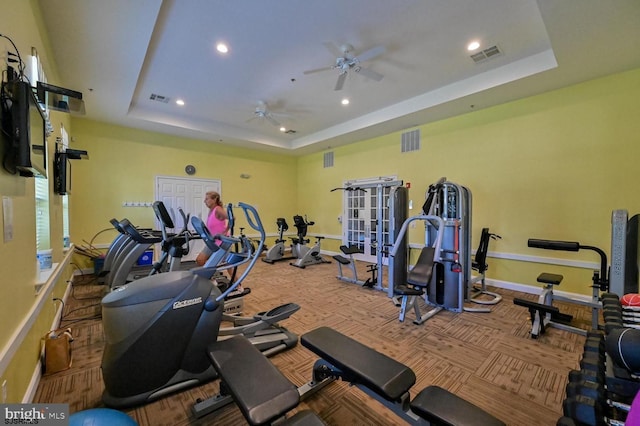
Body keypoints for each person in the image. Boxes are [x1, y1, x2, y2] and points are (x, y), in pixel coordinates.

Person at [196, 191, 229, 266]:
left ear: (214, 199)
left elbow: (232, 218)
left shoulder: (218, 209)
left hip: (222, 242)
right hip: (213, 241)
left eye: (207, 199)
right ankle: (209, 276)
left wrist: (226, 231)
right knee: (200, 260)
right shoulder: (211, 210)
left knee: (227, 265)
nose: (204, 201)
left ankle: (236, 278)